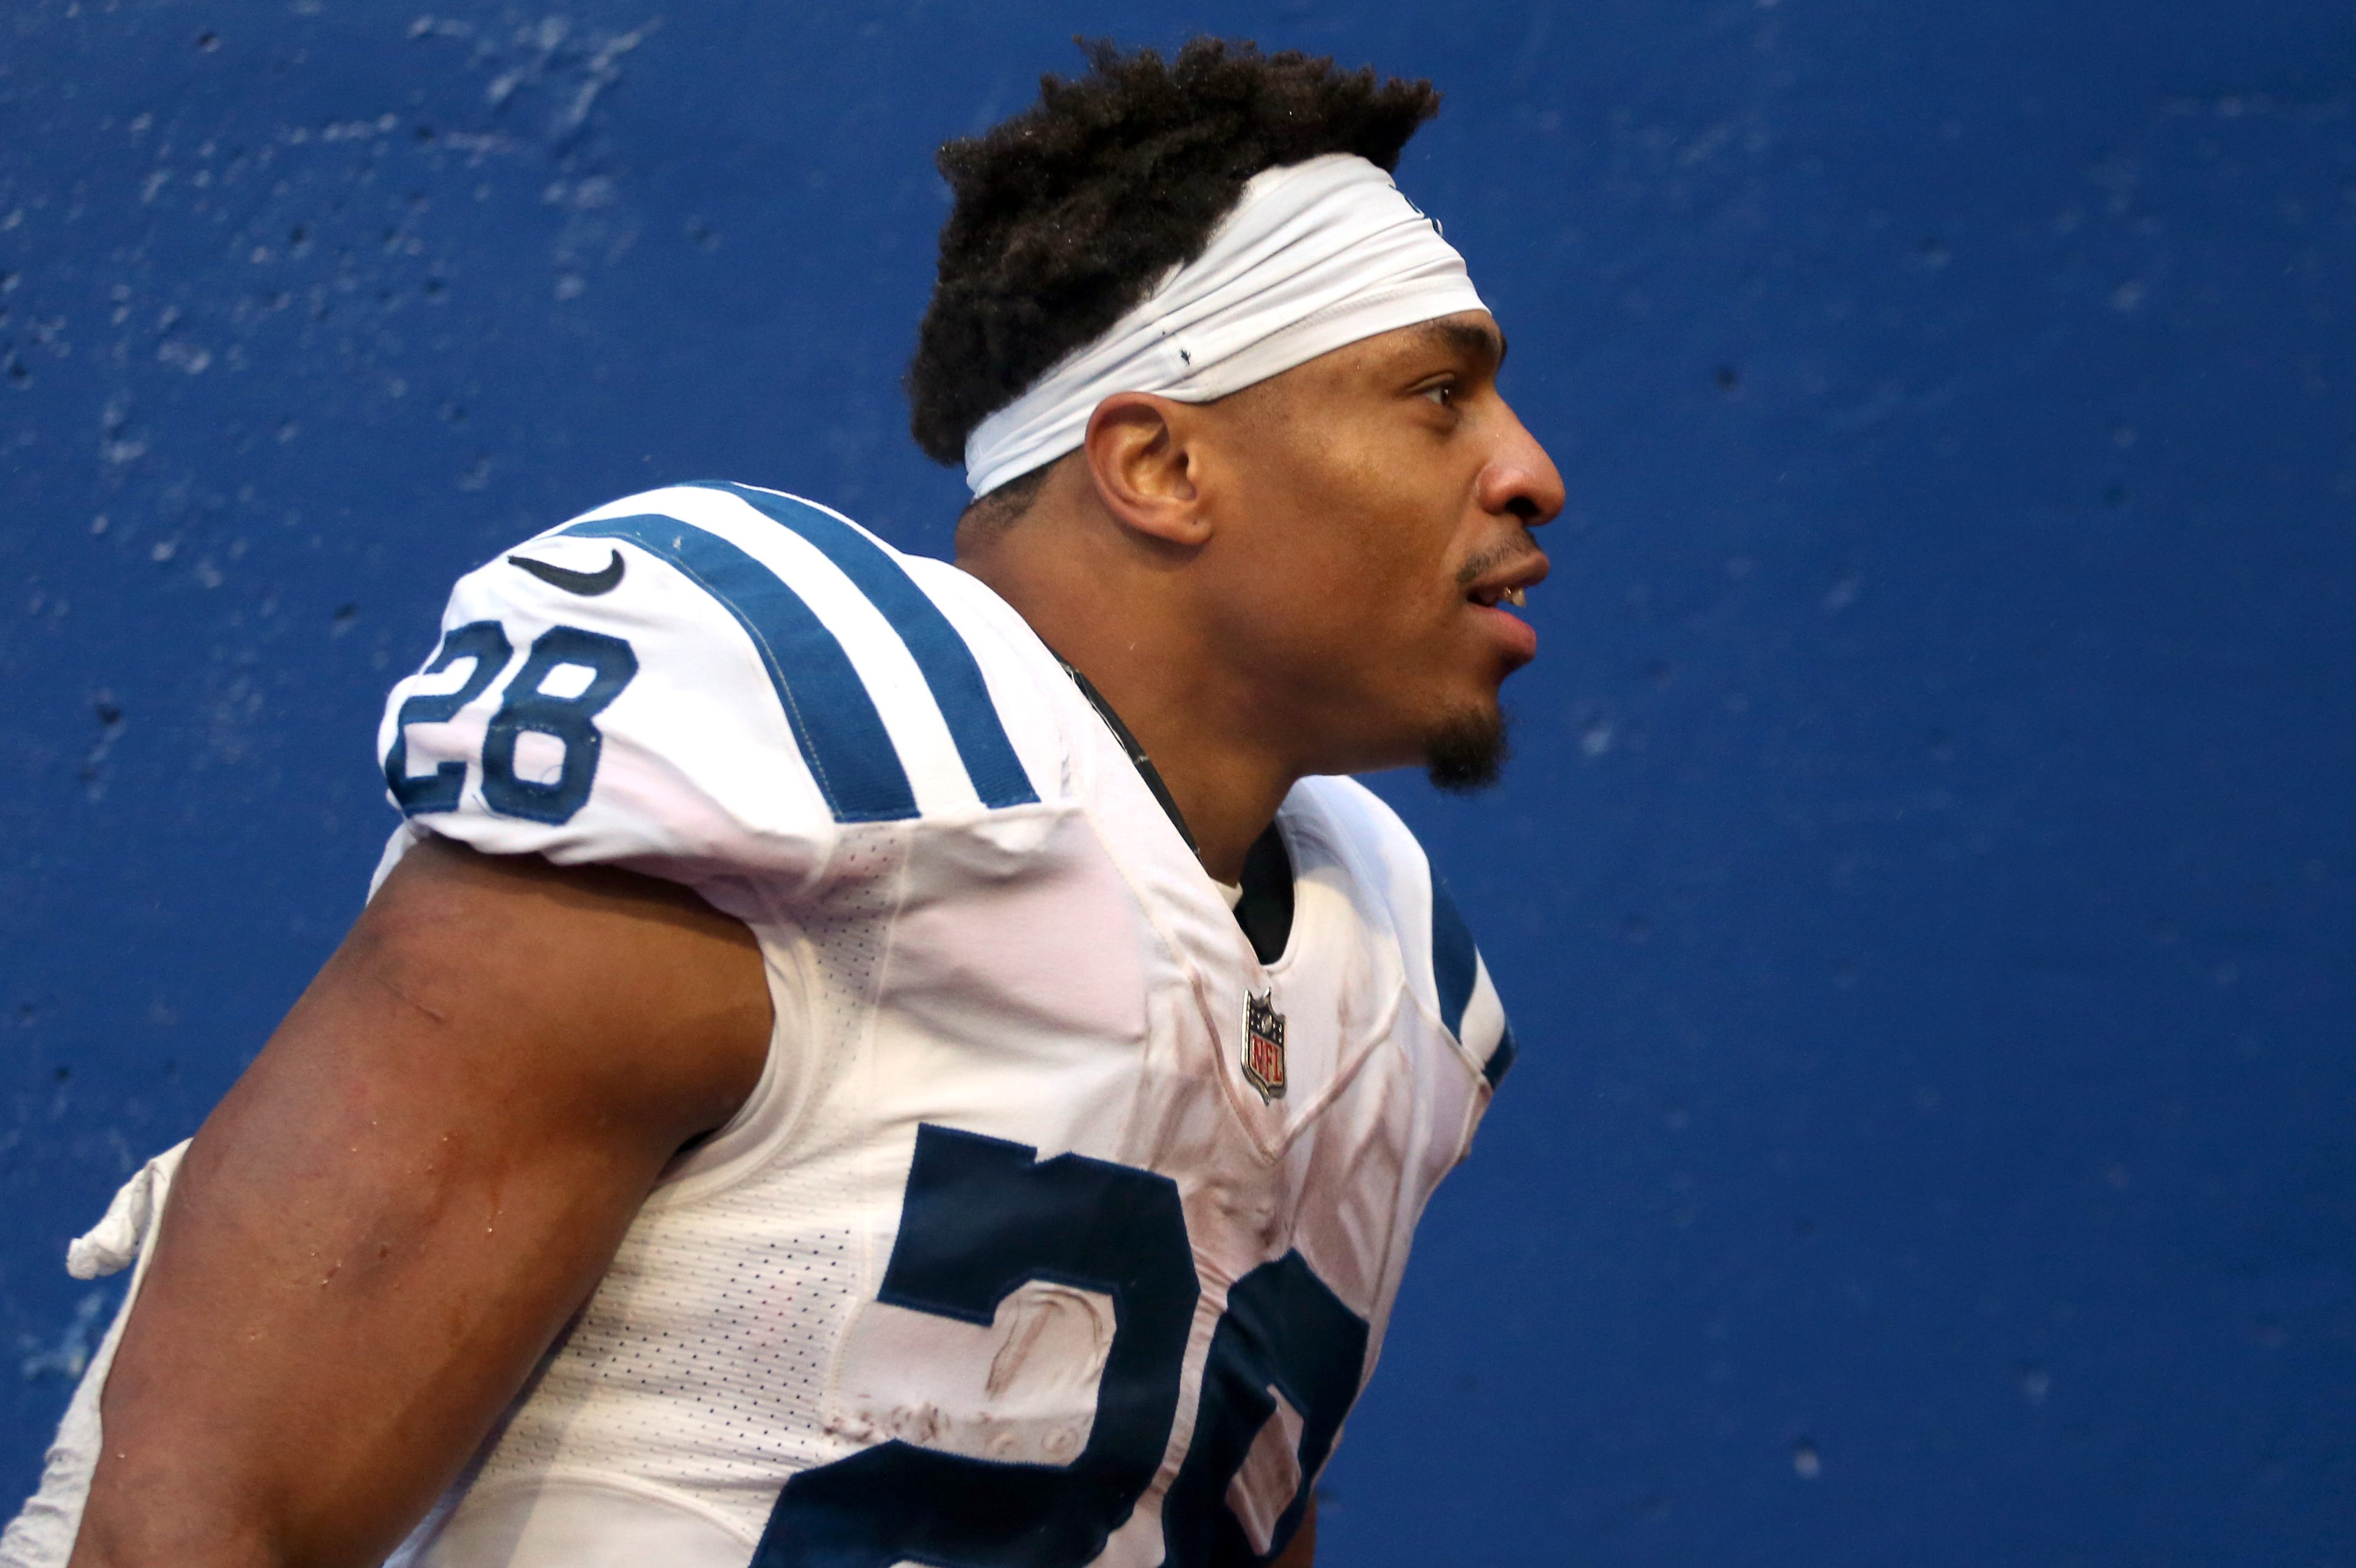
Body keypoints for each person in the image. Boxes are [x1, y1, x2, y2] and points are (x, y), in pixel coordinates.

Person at [4, 37, 1559, 1568]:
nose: (1529, 472)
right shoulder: (803, 766)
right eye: (1438, 395)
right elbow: (197, 1530)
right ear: (1156, 463)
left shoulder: (1384, 981)